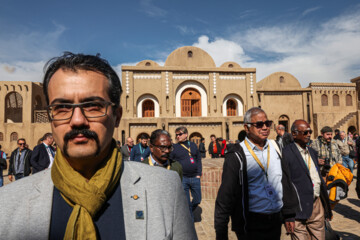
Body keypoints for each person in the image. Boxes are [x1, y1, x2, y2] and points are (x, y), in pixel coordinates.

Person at [0, 52, 197, 239]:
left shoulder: (164, 188)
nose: (77, 120)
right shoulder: (8, 203)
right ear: (50, 118)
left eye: (93, 106)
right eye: (61, 108)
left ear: (117, 116)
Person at [215, 107, 299, 240]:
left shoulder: (275, 147)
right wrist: (221, 233)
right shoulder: (237, 154)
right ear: (247, 128)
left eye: (268, 123)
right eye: (259, 124)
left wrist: (289, 214)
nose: (265, 127)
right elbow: (226, 195)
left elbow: (285, 181)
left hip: (275, 220)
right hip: (251, 223)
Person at [283, 120, 332, 239]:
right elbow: (285, 185)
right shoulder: (286, 154)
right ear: (294, 134)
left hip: (316, 205)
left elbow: (318, 178)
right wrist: (288, 215)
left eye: (310, 131)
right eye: (305, 132)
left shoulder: (312, 152)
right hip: (297, 208)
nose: (309, 134)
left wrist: (326, 208)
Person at [170, 126, 202, 220]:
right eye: (176, 135)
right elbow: (170, 161)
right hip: (183, 178)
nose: (178, 136)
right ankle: (190, 222)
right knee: (186, 202)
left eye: (180, 134)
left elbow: (198, 159)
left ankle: (187, 213)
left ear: (186, 134)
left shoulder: (192, 145)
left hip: (195, 177)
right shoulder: (174, 147)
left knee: (197, 199)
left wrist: (199, 173)